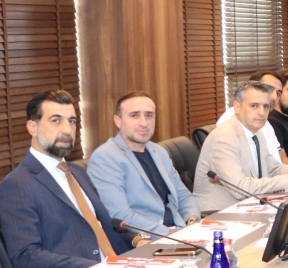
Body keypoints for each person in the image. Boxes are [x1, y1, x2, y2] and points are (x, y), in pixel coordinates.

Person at [0, 90, 136, 268]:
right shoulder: (17, 185)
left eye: (71, 121)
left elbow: (102, 225)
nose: (67, 129)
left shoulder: (77, 172)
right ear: (32, 127)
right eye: (56, 120)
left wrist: (138, 240)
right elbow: (26, 256)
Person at [195, 82, 288, 212]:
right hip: (220, 213)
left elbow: (274, 168)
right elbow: (241, 188)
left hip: (251, 206)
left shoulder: (257, 133)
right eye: (254, 106)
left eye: (266, 106)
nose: (261, 112)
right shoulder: (224, 138)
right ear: (237, 107)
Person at [87, 92, 202, 236]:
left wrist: (192, 220)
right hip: (145, 240)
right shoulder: (105, 158)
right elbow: (120, 215)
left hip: (180, 232)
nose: (144, 123)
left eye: (149, 115)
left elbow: (183, 195)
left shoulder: (158, 152)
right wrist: (170, 233)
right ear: (118, 121)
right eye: (134, 115)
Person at [217, 71, 285, 163]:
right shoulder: (232, 119)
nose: (274, 97)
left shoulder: (265, 123)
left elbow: (274, 164)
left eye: (278, 93)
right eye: (269, 89)